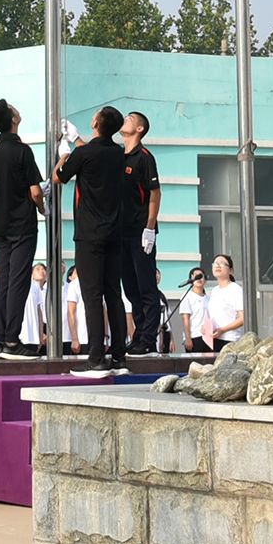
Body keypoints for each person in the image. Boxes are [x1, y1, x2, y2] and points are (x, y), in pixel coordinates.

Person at [52, 106, 136, 368]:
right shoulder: (118, 153)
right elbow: (94, 154)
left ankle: (96, 357)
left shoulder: (83, 154)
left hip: (89, 236)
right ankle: (119, 355)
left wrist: (63, 155)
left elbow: (58, 177)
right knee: (113, 294)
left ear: (97, 123)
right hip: (114, 234)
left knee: (92, 296)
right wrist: (77, 140)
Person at [0, 99, 42, 355]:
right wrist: (42, 208)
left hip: (1, 225)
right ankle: (11, 341)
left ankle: (1, 339)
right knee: (18, 282)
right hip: (22, 225)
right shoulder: (22, 151)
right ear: (13, 119)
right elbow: (35, 191)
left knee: (4, 283)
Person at [117, 111, 166, 353]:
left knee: (146, 286)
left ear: (139, 129)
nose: (124, 120)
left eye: (129, 119)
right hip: (121, 232)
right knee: (130, 287)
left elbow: (155, 193)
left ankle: (148, 339)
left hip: (140, 232)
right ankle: (138, 334)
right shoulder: (118, 155)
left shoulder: (144, 157)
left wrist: (149, 227)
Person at [201, 254, 245, 351]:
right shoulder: (214, 290)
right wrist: (205, 327)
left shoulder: (235, 289)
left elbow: (242, 319)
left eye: (222, 263)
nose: (218, 265)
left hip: (229, 340)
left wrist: (222, 330)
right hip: (213, 339)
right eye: (215, 263)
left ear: (231, 270)